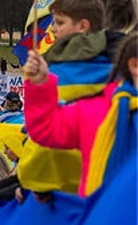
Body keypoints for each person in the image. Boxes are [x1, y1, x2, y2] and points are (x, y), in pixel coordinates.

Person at [23, 31, 137, 197]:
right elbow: (46, 128)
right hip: (106, 217)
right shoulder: (95, 110)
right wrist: (40, 84)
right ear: (134, 65)